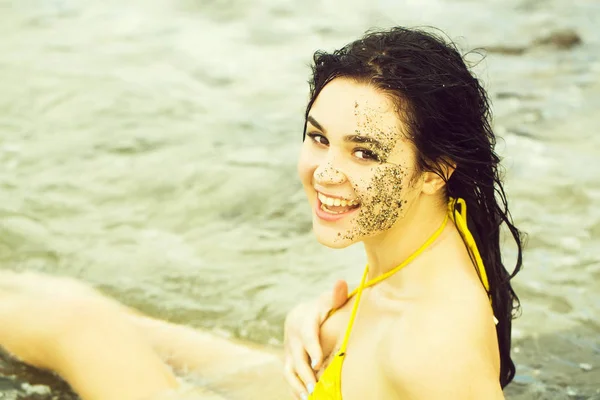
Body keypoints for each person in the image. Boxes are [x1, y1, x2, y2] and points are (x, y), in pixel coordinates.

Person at [0, 26, 523, 400]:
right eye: (319, 138)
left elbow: (436, 354)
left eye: (364, 152)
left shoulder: (431, 347)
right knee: (113, 317)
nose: (326, 173)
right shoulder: (441, 229)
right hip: (318, 381)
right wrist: (331, 326)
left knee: (74, 323)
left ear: (435, 171)